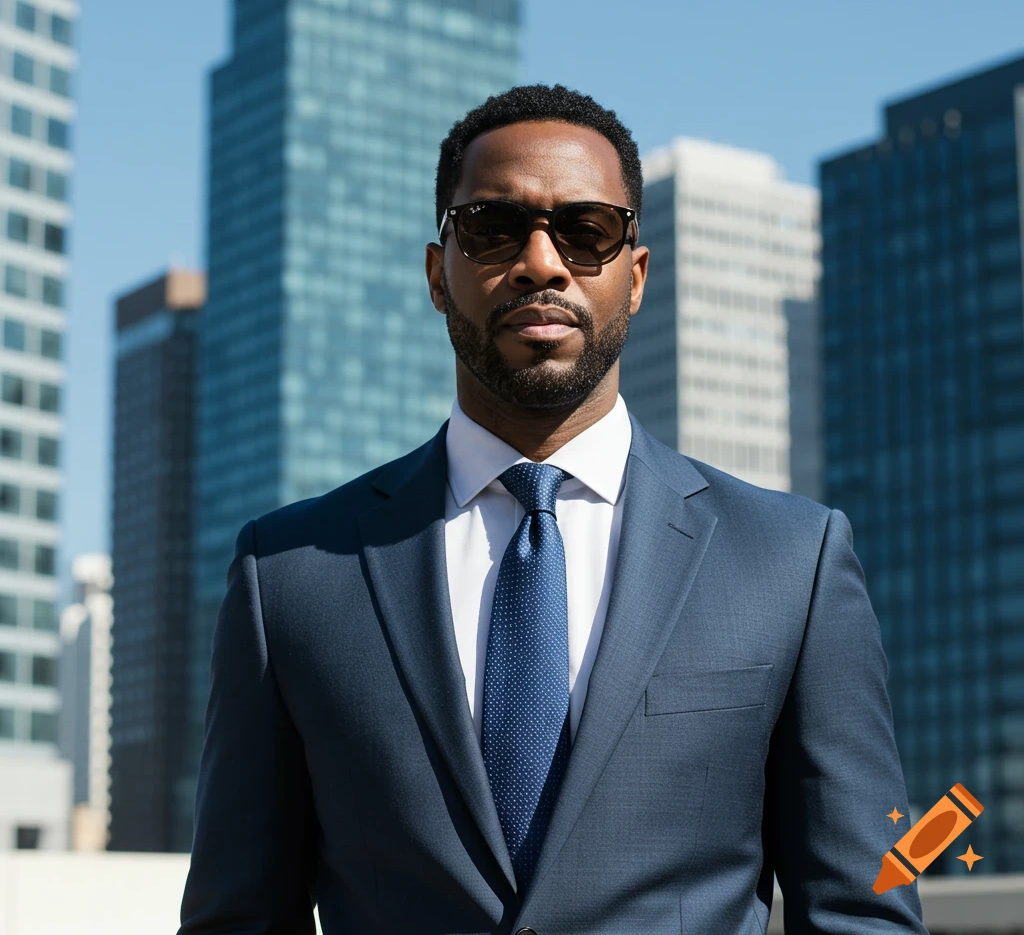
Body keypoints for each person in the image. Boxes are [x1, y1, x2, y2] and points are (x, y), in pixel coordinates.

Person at [178, 84, 929, 934]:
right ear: (437, 273)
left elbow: (863, 911)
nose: (541, 262)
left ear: (636, 276)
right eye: (495, 229)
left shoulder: (794, 560)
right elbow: (236, 916)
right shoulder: (288, 572)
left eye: (586, 231)